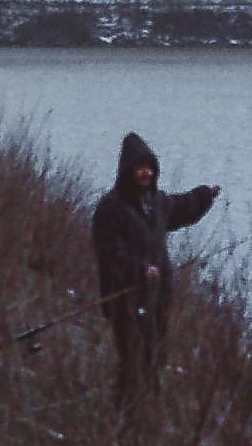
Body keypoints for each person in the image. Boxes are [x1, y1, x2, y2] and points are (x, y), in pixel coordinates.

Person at [89, 132, 220, 405]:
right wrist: (140, 269)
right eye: (140, 168)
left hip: (157, 298)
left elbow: (183, 208)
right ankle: (125, 416)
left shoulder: (157, 202)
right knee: (133, 360)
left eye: (150, 168)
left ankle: (146, 413)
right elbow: (109, 250)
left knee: (155, 359)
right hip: (124, 299)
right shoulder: (110, 208)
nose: (145, 173)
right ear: (127, 171)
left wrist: (205, 195)